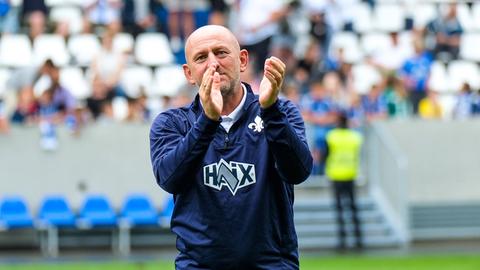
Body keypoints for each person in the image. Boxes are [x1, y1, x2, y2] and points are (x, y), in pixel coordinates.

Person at [149, 25, 313, 269]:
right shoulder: (172, 123)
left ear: (243, 60)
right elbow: (169, 178)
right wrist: (207, 120)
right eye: (201, 57)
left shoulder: (282, 112)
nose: (213, 63)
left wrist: (270, 112)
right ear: (189, 73)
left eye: (221, 52)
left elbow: (298, 172)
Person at [325, 113, 363, 251]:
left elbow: (326, 155)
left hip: (336, 175)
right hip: (351, 174)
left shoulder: (332, 136)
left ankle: (342, 241)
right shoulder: (355, 137)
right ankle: (359, 240)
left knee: (340, 209)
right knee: (353, 208)